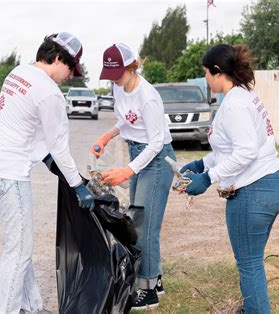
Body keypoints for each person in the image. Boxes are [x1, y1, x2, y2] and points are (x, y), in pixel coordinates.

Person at [0, 32, 94, 313]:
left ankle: (32, 307)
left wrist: (48, 161)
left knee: (20, 244)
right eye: (70, 68)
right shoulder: (49, 92)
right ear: (57, 58)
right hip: (10, 174)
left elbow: (27, 130)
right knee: (18, 252)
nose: (70, 75)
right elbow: (59, 146)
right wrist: (78, 185)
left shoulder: (18, 73)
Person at [181, 44, 279, 313]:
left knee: (249, 264)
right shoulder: (244, 95)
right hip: (274, 182)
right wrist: (201, 163)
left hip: (255, 191)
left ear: (217, 71)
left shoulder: (234, 105)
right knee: (251, 260)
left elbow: (246, 152)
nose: (206, 78)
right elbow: (231, 149)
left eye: (206, 72)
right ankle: (251, 306)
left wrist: (208, 178)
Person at [91, 43, 175, 310]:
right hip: (139, 153)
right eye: (110, 73)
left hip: (157, 158)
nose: (114, 78)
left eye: (118, 72)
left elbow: (156, 142)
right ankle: (156, 279)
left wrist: (127, 170)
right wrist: (107, 136)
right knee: (139, 220)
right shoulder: (118, 88)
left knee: (143, 227)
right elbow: (126, 121)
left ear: (131, 67)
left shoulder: (147, 96)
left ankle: (147, 290)